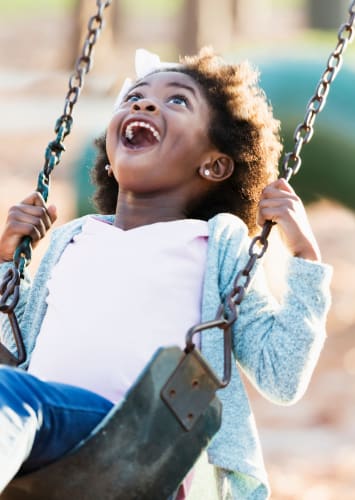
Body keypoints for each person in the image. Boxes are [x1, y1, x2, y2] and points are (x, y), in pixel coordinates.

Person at [0, 47, 332, 498]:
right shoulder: (73, 237)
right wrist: (6, 260)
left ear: (214, 164)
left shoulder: (217, 245)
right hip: (40, 434)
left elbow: (281, 375)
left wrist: (305, 255)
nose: (143, 104)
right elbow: (17, 346)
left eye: (177, 100)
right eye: (133, 97)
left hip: (139, 441)